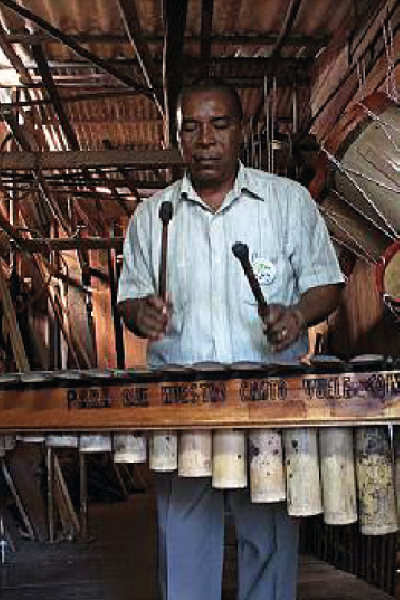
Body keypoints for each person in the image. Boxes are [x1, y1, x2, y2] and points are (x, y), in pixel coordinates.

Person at [117, 79, 344, 600]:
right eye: (191, 127)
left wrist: (297, 314)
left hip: (267, 398)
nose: (206, 139)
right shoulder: (152, 217)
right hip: (181, 400)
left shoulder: (285, 202)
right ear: (178, 137)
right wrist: (139, 314)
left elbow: (327, 284)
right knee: (183, 538)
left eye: (219, 125)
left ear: (240, 130)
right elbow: (128, 298)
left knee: (268, 536)